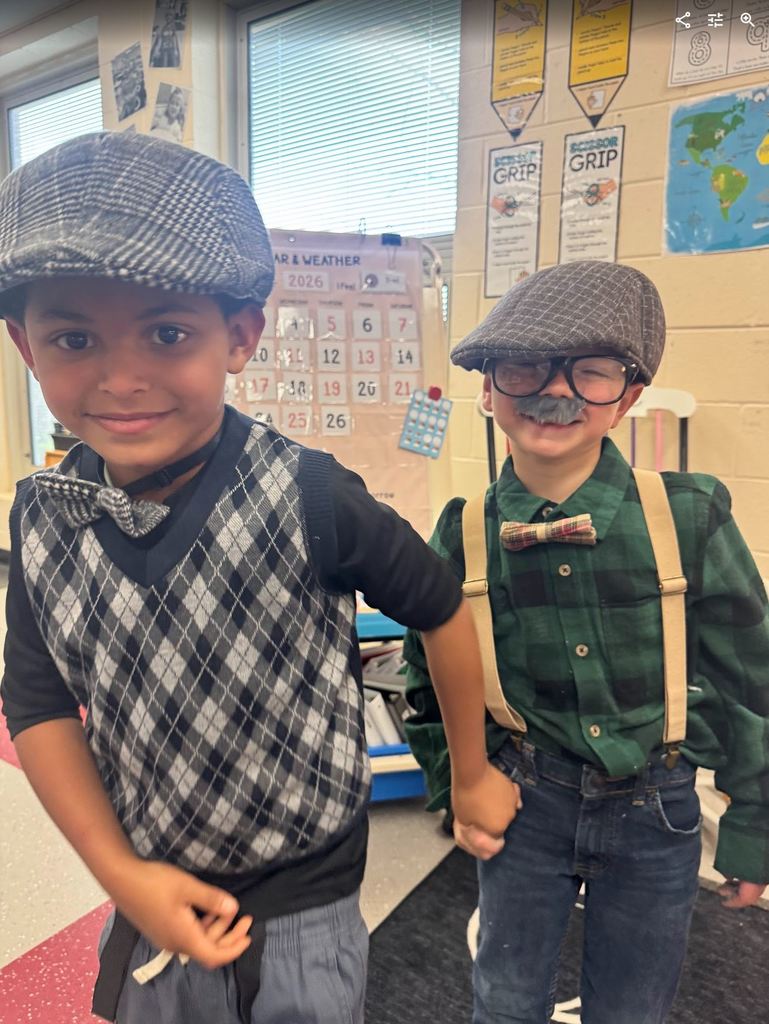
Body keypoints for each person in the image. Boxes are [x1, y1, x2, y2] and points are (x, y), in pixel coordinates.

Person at [0, 130, 518, 1024]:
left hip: (301, 899)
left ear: (240, 336)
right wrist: (121, 875)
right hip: (145, 885)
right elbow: (38, 704)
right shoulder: (43, 515)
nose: (121, 379)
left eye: (167, 333)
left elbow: (439, 607)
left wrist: (468, 770)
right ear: (23, 345)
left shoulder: (310, 493)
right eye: (74, 338)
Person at [402, 260, 769, 1024]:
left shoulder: (689, 514)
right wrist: (455, 787)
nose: (557, 390)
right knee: (502, 1001)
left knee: (633, 1007)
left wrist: (754, 822)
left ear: (627, 398)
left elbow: (750, 680)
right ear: (488, 388)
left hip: (658, 807)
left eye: (591, 373)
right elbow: (426, 679)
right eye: (526, 366)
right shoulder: (463, 532)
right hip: (522, 801)